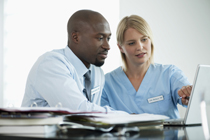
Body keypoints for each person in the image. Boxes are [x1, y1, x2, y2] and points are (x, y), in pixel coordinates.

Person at [21, 10, 126, 114]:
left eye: (108, 38)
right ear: (76, 37)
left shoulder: (97, 72)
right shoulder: (51, 64)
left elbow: (94, 116)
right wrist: (127, 117)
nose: (107, 46)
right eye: (100, 38)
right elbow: (77, 111)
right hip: (40, 130)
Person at [101, 15, 192, 119]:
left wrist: (187, 95)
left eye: (144, 39)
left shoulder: (169, 74)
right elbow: (101, 119)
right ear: (120, 47)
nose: (140, 47)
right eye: (131, 43)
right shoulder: (106, 83)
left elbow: (188, 97)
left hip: (167, 135)